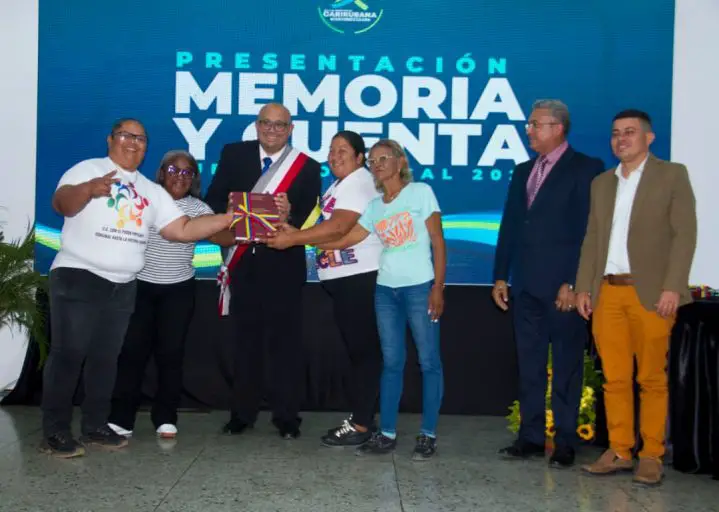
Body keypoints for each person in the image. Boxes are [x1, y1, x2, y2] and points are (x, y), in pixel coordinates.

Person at [42, 119, 234, 458]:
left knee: (105, 360)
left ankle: (95, 425)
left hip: (123, 285)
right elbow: (62, 204)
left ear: (146, 147)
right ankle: (55, 431)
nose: (133, 142)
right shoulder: (88, 169)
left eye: (140, 138)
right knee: (69, 355)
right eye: (126, 136)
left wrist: (230, 217)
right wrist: (88, 189)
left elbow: (182, 230)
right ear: (111, 140)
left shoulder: (150, 191)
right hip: (79, 276)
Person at [299, 139, 446, 460]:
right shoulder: (376, 206)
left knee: (428, 362)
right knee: (391, 363)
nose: (378, 164)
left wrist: (438, 286)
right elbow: (346, 238)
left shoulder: (420, 192)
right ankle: (387, 433)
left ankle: (428, 434)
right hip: (385, 290)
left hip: (419, 288)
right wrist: (294, 238)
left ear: (400, 162)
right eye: (374, 160)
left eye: (384, 158)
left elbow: (437, 240)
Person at [575, 110, 697, 486]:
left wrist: (673, 286)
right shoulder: (601, 183)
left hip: (652, 294)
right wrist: (583, 287)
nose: (621, 139)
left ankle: (652, 455)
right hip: (607, 293)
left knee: (651, 378)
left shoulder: (671, 175)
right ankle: (620, 450)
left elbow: (685, 234)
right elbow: (592, 238)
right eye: (616, 133)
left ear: (649, 137)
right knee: (614, 379)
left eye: (630, 132)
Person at [492, 100, 604, 467]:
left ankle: (566, 441)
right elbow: (511, 225)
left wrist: (574, 281)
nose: (528, 130)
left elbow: (589, 230)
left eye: (534, 124)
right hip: (525, 285)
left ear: (558, 128)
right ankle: (531, 437)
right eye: (529, 124)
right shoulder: (523, 170)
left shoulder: (586, 168)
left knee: (567, 365)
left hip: (563, 289)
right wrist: (500, 274)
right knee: (530, 364)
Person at [204, 103, 321, 439]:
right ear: (256, 126)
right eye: (266, 123)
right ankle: (242, 414)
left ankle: (287, 417)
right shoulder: (233, 154)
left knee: (286, 344)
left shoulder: (307, 166)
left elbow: (309, 220)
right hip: (243, 263)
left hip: (283, 265)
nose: (272, 130)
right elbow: (212, 200)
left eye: (280, 125)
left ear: (291, 129)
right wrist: (228, 209)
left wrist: (290, 213)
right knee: (245, 343)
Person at [263, 131, 383, 447]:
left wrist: (292, 239)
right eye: (331, 150)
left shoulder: (358, 181)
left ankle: (361, 424)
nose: (334, 155)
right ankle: (365, 418)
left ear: (360, 157)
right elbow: (322, 229)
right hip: (346, 280)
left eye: (343, 150)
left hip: (359, 278)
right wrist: (290, 226)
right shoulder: (339, 185)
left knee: (364, 353)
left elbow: (339, 226)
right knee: (361, 351)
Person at [107, 150, 232, 440]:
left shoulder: (199, 208)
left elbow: (224, 238)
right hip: (139, 287)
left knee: (171, 355)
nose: (180, 177)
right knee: (132, 353)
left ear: (194, 178)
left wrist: (234, 221)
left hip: (178, 290)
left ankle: (165, 416)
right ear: (162, 173)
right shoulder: (144, 199)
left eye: (187, 172)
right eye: (173, 170)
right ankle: (121, 417)